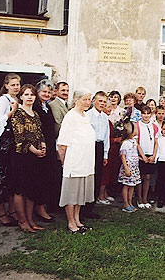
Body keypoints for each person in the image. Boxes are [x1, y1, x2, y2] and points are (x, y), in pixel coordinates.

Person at [57, 88, 95, 234]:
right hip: (74, 162)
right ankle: (71, 223)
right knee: (72, 194)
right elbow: (62, 144)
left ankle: (78, 220)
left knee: (80, 194)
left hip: (86, 162)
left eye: (89, 99)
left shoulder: (85, 116)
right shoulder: (70, 117)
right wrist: (65, 162)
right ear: (76, 100)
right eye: (84, 99)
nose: (87, 102)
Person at [11, 84, 46, 233]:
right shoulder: (18, 114)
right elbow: (21, 137)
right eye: (26, 94)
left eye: (32, 94)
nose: (30, 97)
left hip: (35, 156)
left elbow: (40, 133)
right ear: (21, 97)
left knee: (32, 188)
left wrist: (43, 147)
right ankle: (23, 221)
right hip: (22, 156)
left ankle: (31, 219)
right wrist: (35, 150)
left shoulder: (36, 114)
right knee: (20, 189)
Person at [0, 73, 21, 226]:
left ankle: (12, 210)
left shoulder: (18, 100)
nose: (16, 87)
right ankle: (1, 212)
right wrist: (12, 111)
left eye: (18, 84)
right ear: (6, 85)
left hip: (15, 146)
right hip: (3, 146)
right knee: (1, 180)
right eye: (13, 84)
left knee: (12, 179)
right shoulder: (3, 100)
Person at [32, 79, 58, 219]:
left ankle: (46, 205)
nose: (47, 94)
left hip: (50, 145)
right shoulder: (35, 106)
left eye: (49, 92)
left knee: (49, 176)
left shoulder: (46, 106)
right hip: (39, 146)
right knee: (40, 178)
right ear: (38, 92)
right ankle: (39, 208)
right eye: (44, 91)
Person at [85, 91, 110, 218]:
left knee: (97, 177)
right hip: (89, 147)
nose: (102, 104)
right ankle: (83, 207)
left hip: (99, 147)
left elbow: (106, 137)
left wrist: (105, 155)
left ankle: (91, 207)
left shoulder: (105, 117)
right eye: (100, 101)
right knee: (88, 176)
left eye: (104, 102)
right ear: (94, 100)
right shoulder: (87, 115)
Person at [118, 121, 145, 213]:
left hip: (134, 166)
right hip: (128, 166)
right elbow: (123, 156)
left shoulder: (133, 141)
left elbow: (134, 153)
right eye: (136, 129)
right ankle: (125, 203)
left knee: (132, 185)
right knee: (126, 185)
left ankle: (130, 202)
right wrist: (126, 168)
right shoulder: (125, 143)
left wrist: (142, 158)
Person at [136, 106, 158, 209]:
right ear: (141, 114)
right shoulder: (137, 126)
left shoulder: (154, 126)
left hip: (150, 154)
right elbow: (136, 143)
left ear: (151, 114)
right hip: (141, 155)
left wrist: (154, 155)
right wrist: (142, 156)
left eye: (148, 113)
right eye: (143, 113)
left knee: (148, 177)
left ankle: (145, 198)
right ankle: (139, 199)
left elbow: (156, 142)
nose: (146, 115)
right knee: (140, 177)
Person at [99, 101, 121, 204]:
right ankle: (100, 195)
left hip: (112, 150)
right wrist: (115, 140)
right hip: (106, 148)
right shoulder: (103, 120)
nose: (109, 109)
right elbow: (104, 137)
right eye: (107, 107)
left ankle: (105, 193)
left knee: (109, 173)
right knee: (104, 173)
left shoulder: (108, 120)